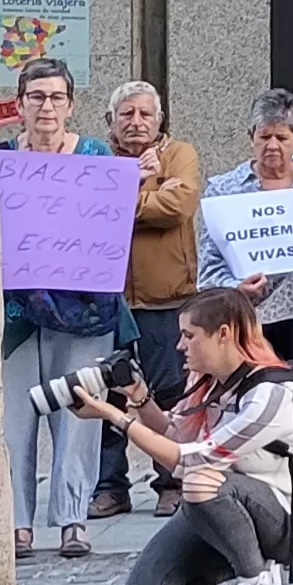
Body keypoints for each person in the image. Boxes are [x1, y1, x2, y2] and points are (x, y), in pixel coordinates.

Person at [74, 287, 293, 585]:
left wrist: (115, 416)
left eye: (189, 335)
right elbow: (175, 435)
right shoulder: (208, 383)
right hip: (220, 505)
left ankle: (259, 582)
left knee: (200, 481)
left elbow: (193, 459)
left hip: (283, 519)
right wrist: (137, 396)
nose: (179, 346)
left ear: (224, 334)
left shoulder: (272, 393)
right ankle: (232, 557)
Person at [0, 59, 121, 560]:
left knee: (80, 414)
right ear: (19, 103)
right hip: (15, 313)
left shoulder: (95, 156)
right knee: (12, 421)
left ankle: (73, 519)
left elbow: (112, 225)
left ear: (70, 105)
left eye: (56, 97)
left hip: (85, 312)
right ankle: (14, 524)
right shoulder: (0, 160)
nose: (46, 106)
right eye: (36, 96)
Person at [92, 81, 202, 519]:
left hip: (166, 299)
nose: (136, 122)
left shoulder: (181, 155)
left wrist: (117, 199)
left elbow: (177, 207)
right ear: (110, 120)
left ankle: (171, 482)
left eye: (145, 114)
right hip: (107, 301)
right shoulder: (96, 159)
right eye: (127, 114)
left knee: (170, 395)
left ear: (159, 120)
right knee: (108, 395)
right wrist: (137, 190)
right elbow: (88, 211)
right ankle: (109, 486)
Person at [198, 90, 293, 365]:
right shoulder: (224, 190)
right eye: (264, 136)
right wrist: (236, 287)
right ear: (251, 137)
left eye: (281, 138)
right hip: (246, 320)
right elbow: (208, 269)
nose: (272, 145)